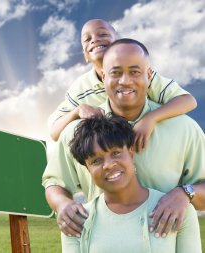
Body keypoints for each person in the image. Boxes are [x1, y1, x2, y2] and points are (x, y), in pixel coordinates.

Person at [42, 38, 205, 241]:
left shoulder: (184, 128)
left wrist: (185, 193)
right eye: (116, 73)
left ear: (149, 75)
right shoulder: (77, 132)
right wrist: (62, 204)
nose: (125, 81)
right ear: (103, 76)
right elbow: (54, 182)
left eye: (135, 72)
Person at [48, 19, 197, 153]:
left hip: (152, 146)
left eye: (102, 34)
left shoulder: (141, 76)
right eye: (87, 39)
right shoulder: (80, 88)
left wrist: (150, 119)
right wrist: (77, 111)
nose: (94, 40)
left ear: (118, 44)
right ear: (85, 56)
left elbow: (187, 101)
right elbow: (54, 132)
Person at [61, 115, 201, 253]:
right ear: (88, 169)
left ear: (131, 154)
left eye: (115, 153)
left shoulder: (178, 210)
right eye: (96, 161)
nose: (108, 165)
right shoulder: (75, 221)